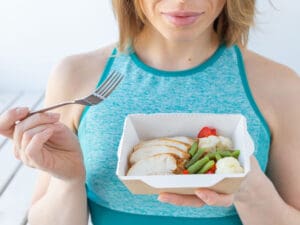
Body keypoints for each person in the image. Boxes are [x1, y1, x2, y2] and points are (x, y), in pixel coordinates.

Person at [0, 0, 299, 224]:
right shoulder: (75, 77)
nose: (182, 1)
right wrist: (68, 181)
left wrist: (249, 190)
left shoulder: (279, 85)